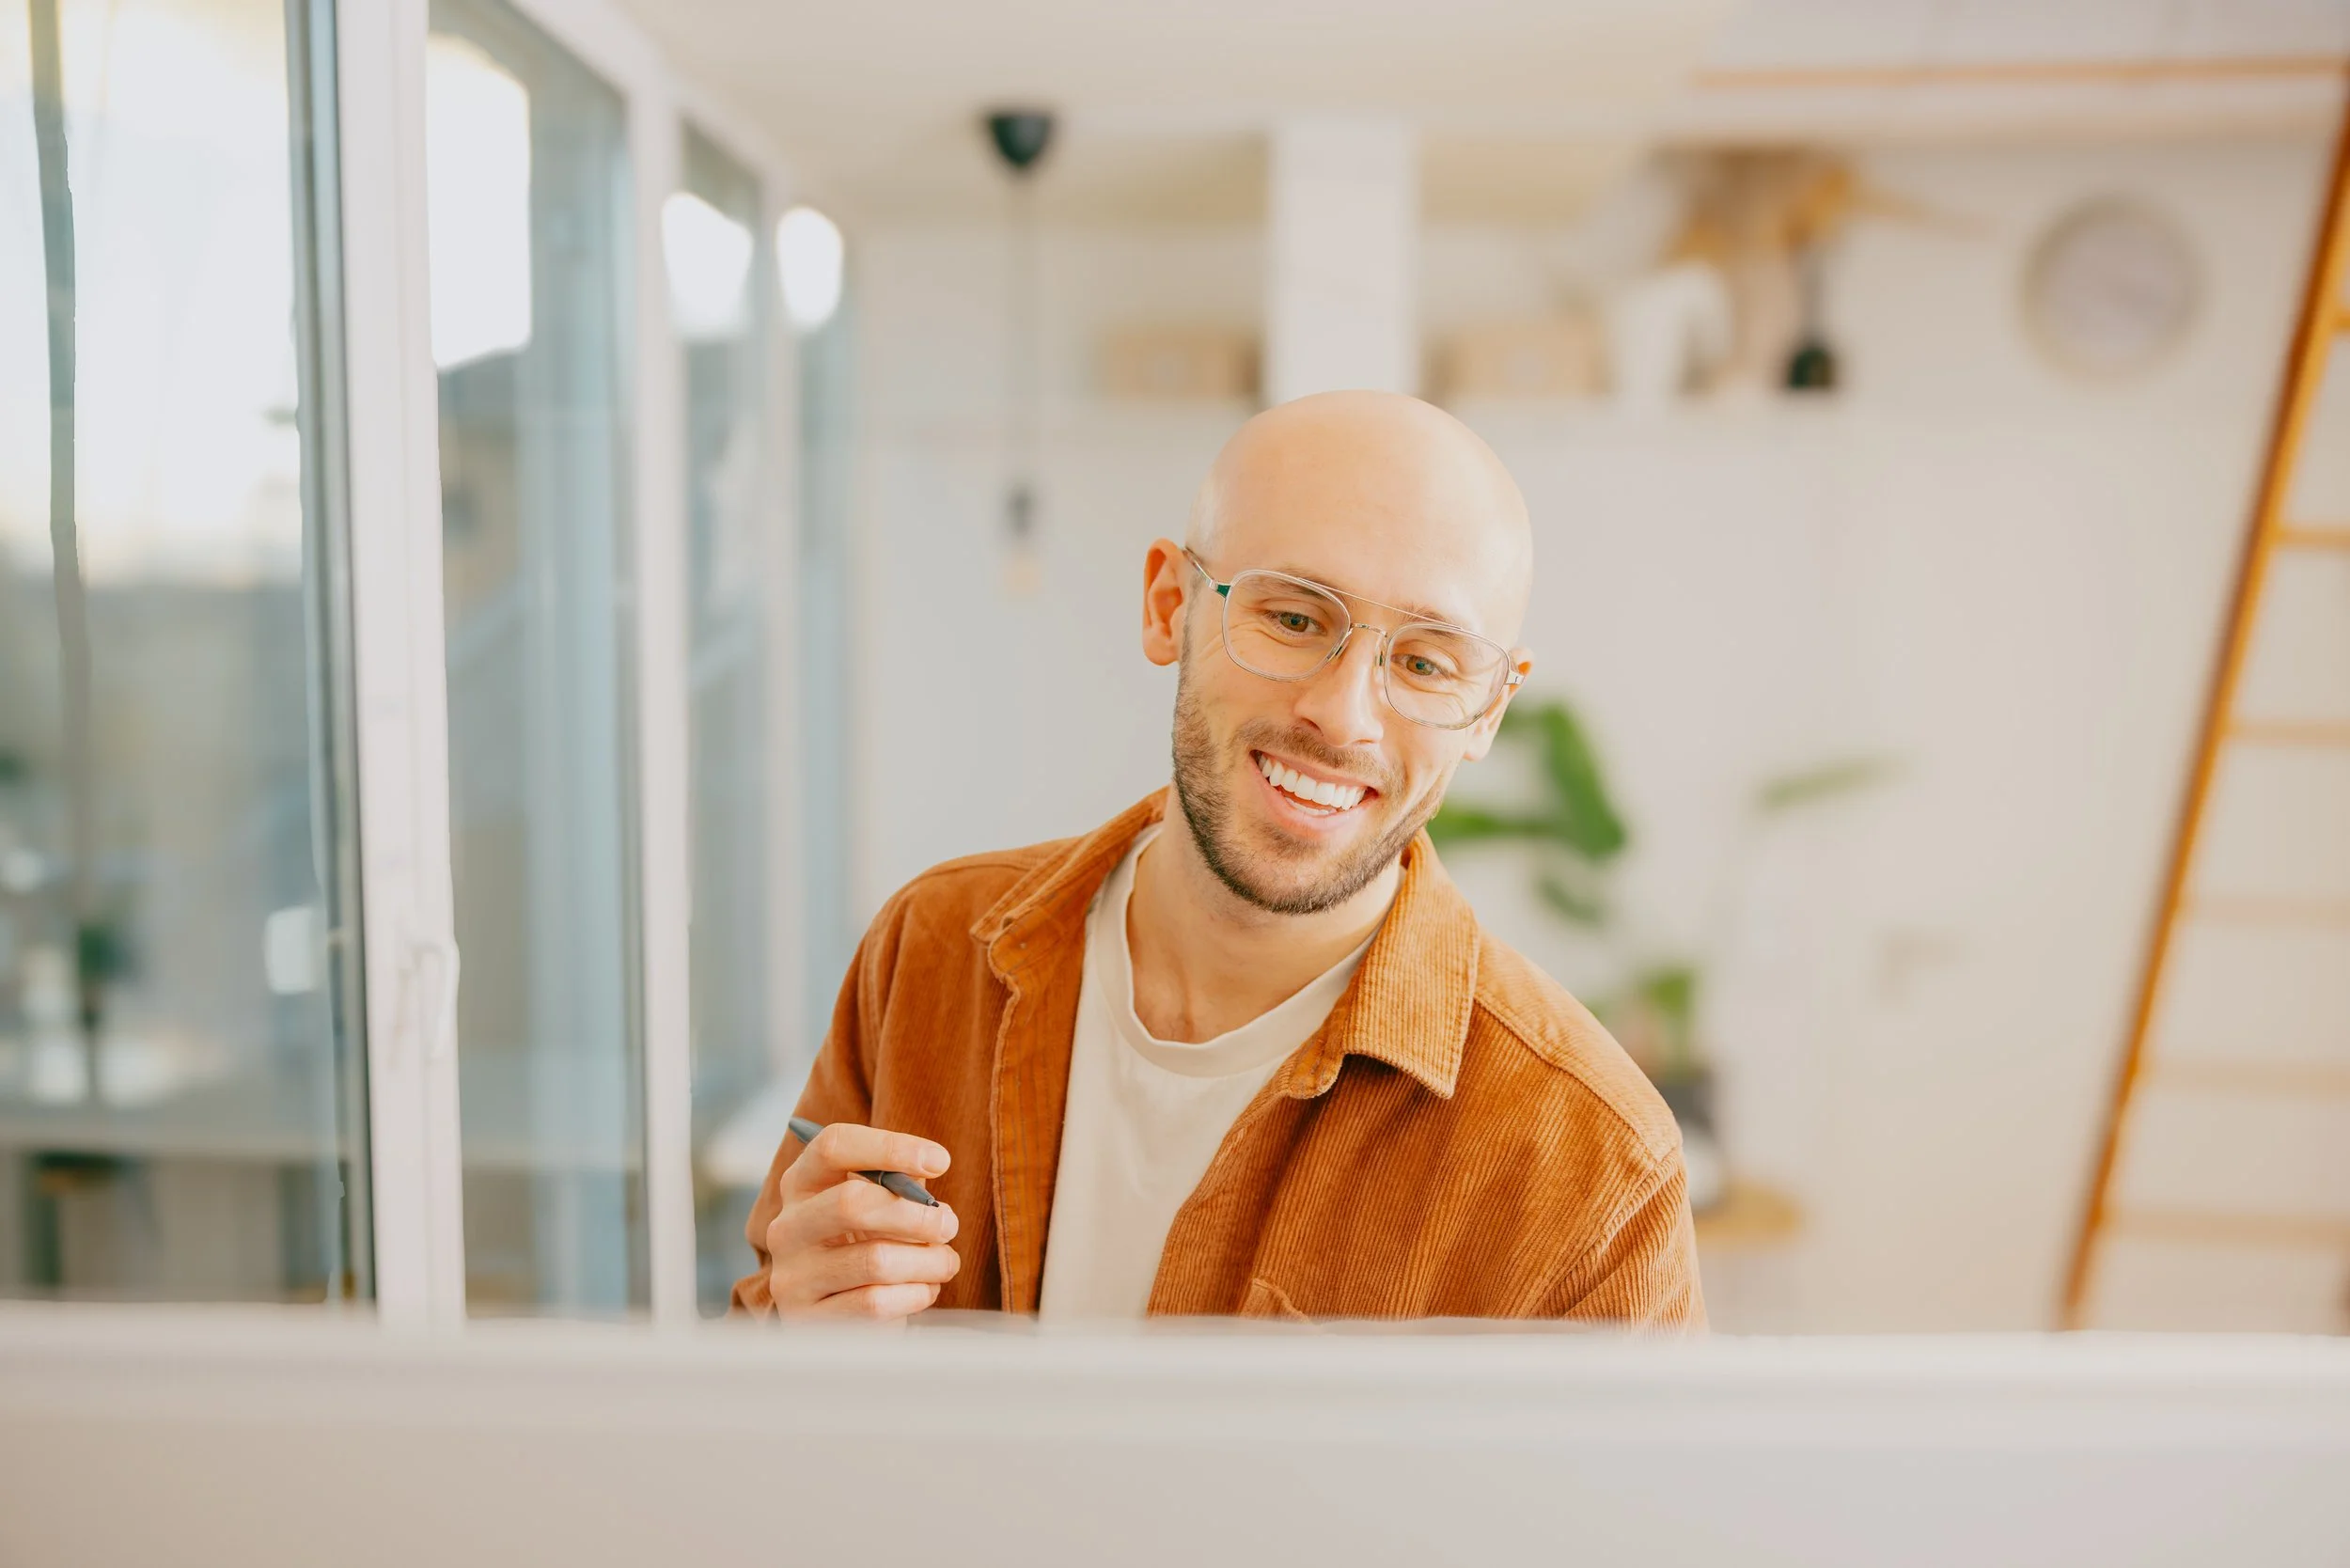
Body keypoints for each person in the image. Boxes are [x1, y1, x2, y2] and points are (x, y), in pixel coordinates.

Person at [736, 390, 1702, 1328]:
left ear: (1488, 707)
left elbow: (1624, 1502)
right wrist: (795, 1333)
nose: (1342, 715)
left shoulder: (1594, 1168)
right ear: (1169, 606)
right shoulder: (928, 956)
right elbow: (740, 1413)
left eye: (1423, 662)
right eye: (1293, 618)